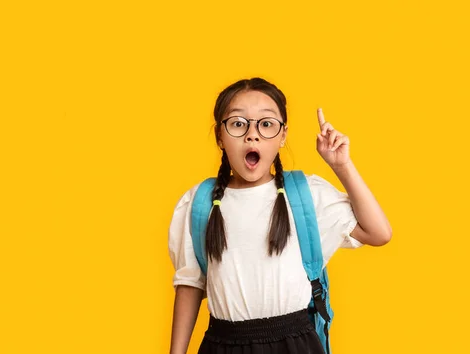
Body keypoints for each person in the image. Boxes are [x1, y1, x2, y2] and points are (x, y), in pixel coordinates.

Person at [168, 77, 392, 354]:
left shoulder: (306, 194)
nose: (253, 134)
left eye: (266, 124)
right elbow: (190, 285)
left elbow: (379, 232)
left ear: (283, 136)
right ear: (219, 137)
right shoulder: (198, 202)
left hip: (295, 344)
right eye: (238, 124)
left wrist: (342, 165)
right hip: (222, 345)